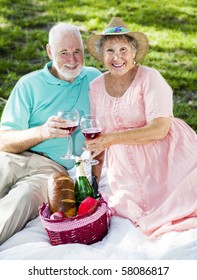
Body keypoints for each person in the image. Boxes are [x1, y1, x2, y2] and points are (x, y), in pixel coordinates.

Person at [85, 17, 197, 238]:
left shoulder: (150, 77)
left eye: (123, 49)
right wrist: (94, 186)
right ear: (102, 55)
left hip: (167, 160)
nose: (117, 57)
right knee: (134, 212)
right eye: (110, 51)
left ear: (134, 52)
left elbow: (159, 129)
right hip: (125, 171)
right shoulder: (96, 86)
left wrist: (110, 139)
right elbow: (98, 139)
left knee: (182, 204)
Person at [0, 23, 101, 245]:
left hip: (51, 170)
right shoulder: (29, 84)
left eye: (78, 52)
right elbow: (3, 140)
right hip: (13, 156)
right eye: (64, 53)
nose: (73, 60)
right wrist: (42, 132)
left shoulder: (95, 80)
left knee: (21, 201)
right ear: (49, 51)